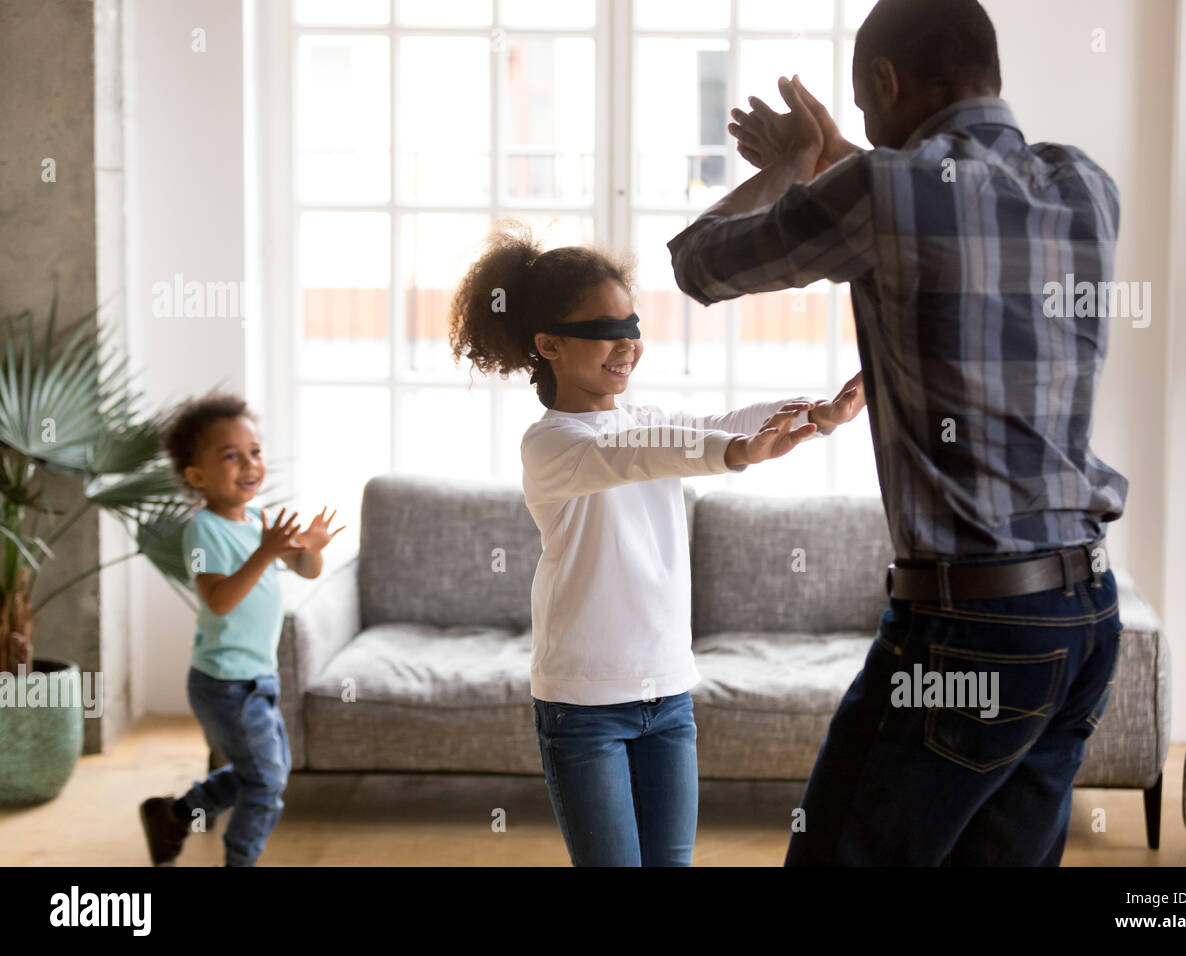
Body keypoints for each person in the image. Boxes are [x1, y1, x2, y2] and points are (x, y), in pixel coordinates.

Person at [667, 0, 1129, 865]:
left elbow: (697, 262)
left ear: (886, 80)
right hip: (1084, 621)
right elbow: (939, 202)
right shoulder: (1085, 186)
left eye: (869, 105)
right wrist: (838, 157)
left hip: (973, 626)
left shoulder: (880, 192)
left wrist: (793, 168)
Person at [448, 221, 866, 866]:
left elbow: (717, 424)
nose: (626, 344)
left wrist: (815, 415)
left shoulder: (645, 420)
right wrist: (735, 453)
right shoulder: (552, 443)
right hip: (583, 704)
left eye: (631, 324)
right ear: (548, 344)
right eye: (602, 330)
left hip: (668, 696)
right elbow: (638, 456)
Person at [139, 393, 344, 866]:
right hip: (223, 684)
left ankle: (175, 813)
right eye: (231, 456)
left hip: (258, 677)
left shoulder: (257, 521)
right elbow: (219, 599)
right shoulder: (204, 530)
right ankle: (239, 860)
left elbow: (306, 569)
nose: (249, 463)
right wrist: (265, 553)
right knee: (266, 784)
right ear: (197, 478)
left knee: (267, 773)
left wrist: (310, 547)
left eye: (254, 451)